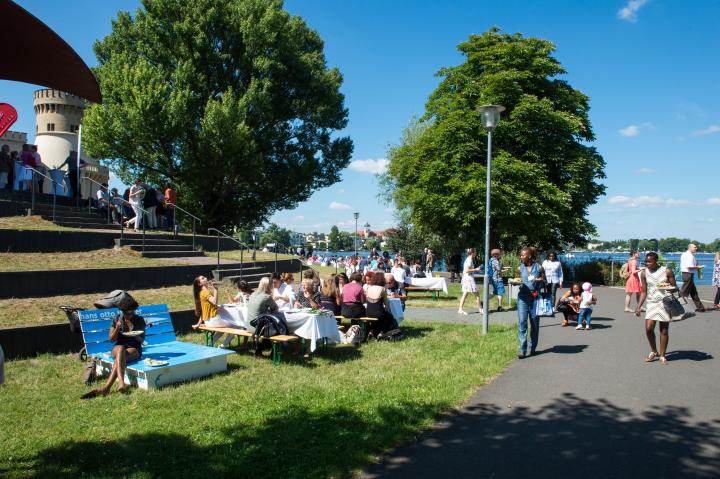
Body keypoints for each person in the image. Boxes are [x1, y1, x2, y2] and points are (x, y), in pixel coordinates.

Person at [82, 306, 146, 398]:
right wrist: (117, 328)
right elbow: (111, 339)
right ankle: (121, 382)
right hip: (118, 347)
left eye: (132, 313)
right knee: (120, 349)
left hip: (134, 347)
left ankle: (106, 388)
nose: (129, 315)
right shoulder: (116, 319)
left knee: (119, 359)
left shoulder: (139, 320)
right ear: (122, 311)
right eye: (127, 313)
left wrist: (134, 334)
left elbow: (142, 340)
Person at [636, 252, 678, 365]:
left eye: (650, 262)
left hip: (665, 302)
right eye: (646, 262)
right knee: (649, 329)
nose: (647, 264)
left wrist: (663, 285)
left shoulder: (667, 271)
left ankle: (663, 355)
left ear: (656, 261)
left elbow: (675, 287)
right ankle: (654, 351)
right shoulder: (644, 273)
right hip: (651, 303)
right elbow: (643, 291)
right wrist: (639, 306)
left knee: (663, 330)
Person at [191, 276, 236, 347]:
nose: (205, 278)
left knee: (222, 330)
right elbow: (214, 302)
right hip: (214, 320)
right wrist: (215, 289)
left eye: (204, 277)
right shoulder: (205, 291)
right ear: (199, 284)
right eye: (202, 278)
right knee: (236, 326)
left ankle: (210, 344)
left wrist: (198, 323)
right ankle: (222, 346)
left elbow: (203, 311)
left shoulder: (201, 293)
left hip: (208, 322)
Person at [516, 247, 545, 358]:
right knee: (522, 322)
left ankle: (532, 347)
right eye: (521, 255)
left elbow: (544, 280)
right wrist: (515, 282)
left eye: (523, 255)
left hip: (535, 298)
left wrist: (540, 280)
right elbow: (517, 280)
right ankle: (522, 349)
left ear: (529, 255)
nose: (521, 256)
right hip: (523, 298)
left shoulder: (539, 267)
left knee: (534, 324)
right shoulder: (519, 268)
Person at [365, 272, 396, 337]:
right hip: (379, 312)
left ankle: (371, 331)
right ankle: (382, 332)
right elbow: (386, 303)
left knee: (375, 318)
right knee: (390, 317)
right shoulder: (382, 289)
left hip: (368, 312)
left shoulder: (368, 288)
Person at [679, 244, 706, 313]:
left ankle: (700, 307)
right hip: (688, 274)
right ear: (690, 248)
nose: (696, 248)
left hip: (686, 274)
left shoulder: (684, 254)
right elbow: (689, 266)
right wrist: (698, 267)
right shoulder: (689, 256)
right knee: (684, 292)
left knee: (693, 292)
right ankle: (679, 307)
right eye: (694, 247)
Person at [458, 248, 482, 315]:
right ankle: (480, 309)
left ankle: (460, 309)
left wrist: (475, 269)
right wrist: (476, 269)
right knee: (476, 294)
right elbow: (467, 270)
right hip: (469, 279)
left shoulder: (468, 259)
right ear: (472, 253)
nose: (476, 253)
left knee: (465, 294)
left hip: (466, 278)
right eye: (475, 252)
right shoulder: (469, 260)